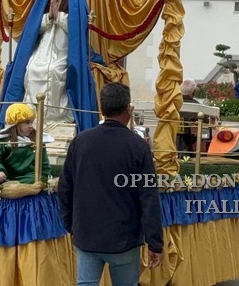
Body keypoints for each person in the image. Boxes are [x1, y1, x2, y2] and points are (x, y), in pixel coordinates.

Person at [58, 83, 163, 286]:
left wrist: (71, 225)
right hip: (124, 239)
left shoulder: (80, 142)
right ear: (128, 109)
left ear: (101, 110)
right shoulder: (138, 147)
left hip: (87, 234)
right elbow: (149, 197)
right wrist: (155, 243)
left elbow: (64, 189)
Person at [0, 0, 99, 132]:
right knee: (32, 68)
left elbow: (78, 28)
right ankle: (32, 116)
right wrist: (49, 17)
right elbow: (34, 26)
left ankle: (56, 116)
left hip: (65, 46)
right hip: (44, 44)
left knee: (54, 71)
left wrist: (59, 16)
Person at [0, 103, 53, 185]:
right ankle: (3, 185)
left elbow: (44, 165)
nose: (31, 126)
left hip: (26, 177)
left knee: (36, 177)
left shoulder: (37, 140)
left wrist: (45, 178)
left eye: (31, 123)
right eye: (27, 123)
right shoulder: (1, 140)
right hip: (4, 176)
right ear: (16, 124)